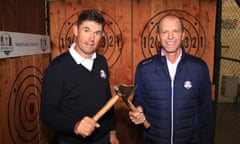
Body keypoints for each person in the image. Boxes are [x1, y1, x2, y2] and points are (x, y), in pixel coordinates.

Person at [129, 14, 213, 144]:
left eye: (175, 31)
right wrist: (138, 110)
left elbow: (206, 112)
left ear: (183, 35)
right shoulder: (144, 68)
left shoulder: (199, 68)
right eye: (165, 32)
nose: (170, 36)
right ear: (158, 37)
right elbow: (139, 101)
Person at [40, 9, 119, 144]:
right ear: (76, 30)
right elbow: (47, 113)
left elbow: (106, 99)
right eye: (86, 30)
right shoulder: (57, 68)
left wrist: (112, 132)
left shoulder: (101, 62)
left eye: (97, 33)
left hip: (103, 139)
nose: (92, 38)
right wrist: (75, 126)